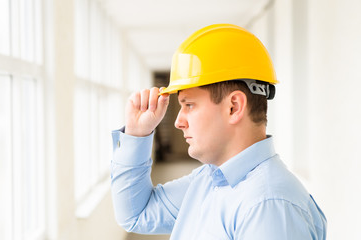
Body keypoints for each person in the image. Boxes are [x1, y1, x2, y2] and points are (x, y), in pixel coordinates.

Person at [111, 24, 327, 239]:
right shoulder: (210, 179)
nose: (178, 122)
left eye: (189, 105)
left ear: (233, 107)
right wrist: (136, 134)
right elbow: (137, 214)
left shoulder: (268, 206)